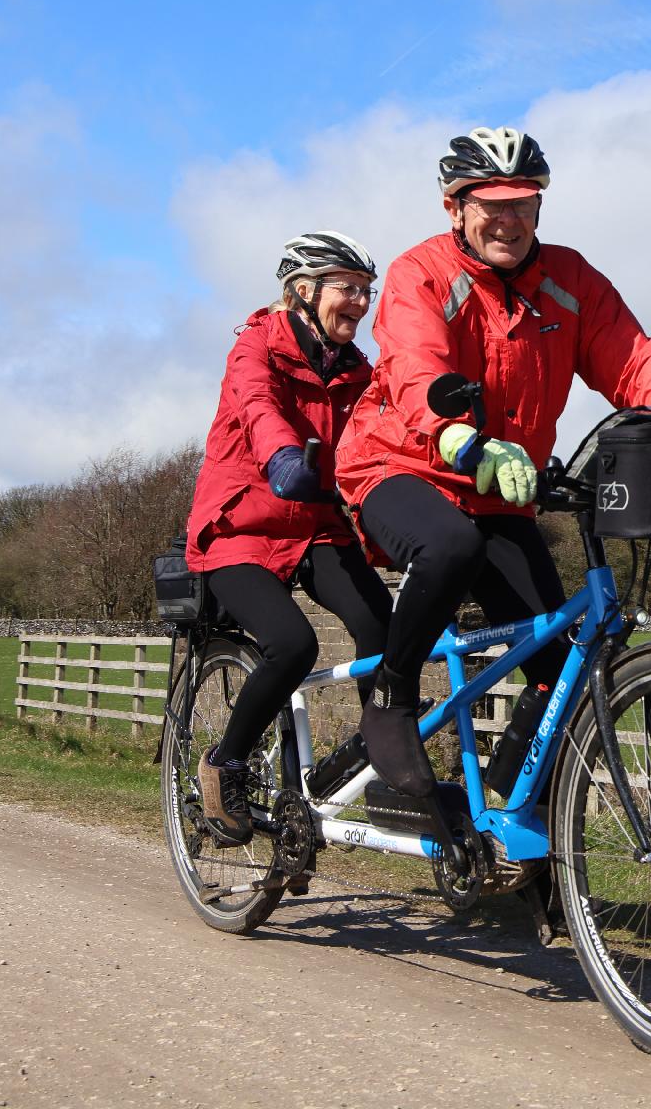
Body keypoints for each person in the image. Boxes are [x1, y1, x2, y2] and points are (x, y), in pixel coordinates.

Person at [334, 127, 651, 799]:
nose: (508, 220)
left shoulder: (570, 280)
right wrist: (457, 437)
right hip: (402, 464)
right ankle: (392, 694)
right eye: (490, 205)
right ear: (455, 209)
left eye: (522, 205)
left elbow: (631, 359)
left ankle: (511, 821)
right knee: (449, 546)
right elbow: (416, 363)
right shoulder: (423, 273)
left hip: (500, 488)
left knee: (560, 670)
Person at [183, 232, 392, 845]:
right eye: (346, 289)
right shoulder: (256, 347)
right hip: (241, 527)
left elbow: (389, 427)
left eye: (365, 291)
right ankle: (225, 764)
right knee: (291, 643)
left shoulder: (356, 369)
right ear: (303, 291)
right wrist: (279, 457)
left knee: (384, 633)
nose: (359, 302)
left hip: (318, 526)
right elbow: (257, 405)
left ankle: (371, 753)